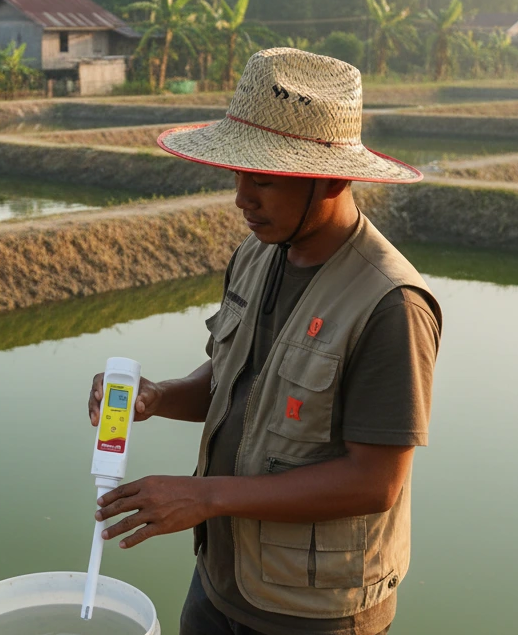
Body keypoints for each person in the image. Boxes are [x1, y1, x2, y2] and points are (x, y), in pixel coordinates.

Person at [88, 48, 441, 635]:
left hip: (313, 612)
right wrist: (156, 396)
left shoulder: (390, 304)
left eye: (264, 179)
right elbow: (231, 382)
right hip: (223, 580)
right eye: (238, 174)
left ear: (330, 178)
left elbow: (375, 482)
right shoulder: (259, 253)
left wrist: (206, 498)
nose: (241, 198)